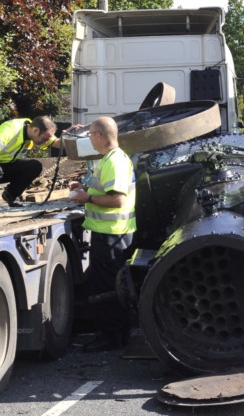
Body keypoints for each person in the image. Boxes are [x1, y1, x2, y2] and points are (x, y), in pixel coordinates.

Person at [69, 116, 136, 353]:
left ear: (98, 135)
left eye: (90, 135)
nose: (89, 139)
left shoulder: (114, 161)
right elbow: (106, 190)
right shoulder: (112, 159)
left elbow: (117, 199)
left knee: (106, 289)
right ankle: (119, 334)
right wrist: (84, 189)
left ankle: (110, 337)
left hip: (111, 235)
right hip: (114, 234)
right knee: (115, 287)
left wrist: (86, 198)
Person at [0, 115, 80, 207]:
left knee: (34, 166)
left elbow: (58, 143)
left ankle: (10, 195)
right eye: (44, 139)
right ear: (36, 130)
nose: (46, 142)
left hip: (6, 164)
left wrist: (70, 136)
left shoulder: (34, 131)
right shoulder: (10, 130)